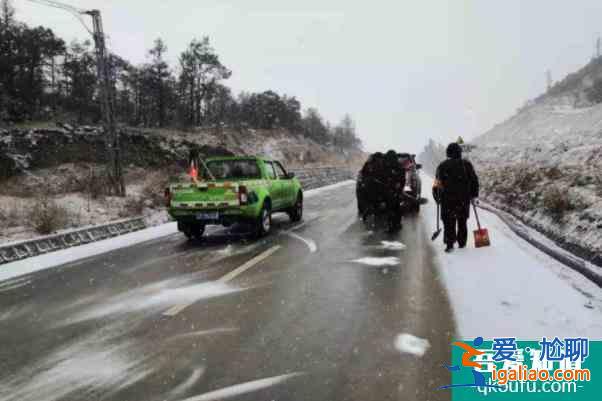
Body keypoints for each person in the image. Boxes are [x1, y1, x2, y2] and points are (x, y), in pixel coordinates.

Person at [432, 142, 479, 252]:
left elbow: (437, 184)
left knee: (449, 221)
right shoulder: (466, 165)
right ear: (459, 152)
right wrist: (474, 195)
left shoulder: (442, 166)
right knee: (462, 221)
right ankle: (462, 243)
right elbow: (474, 181)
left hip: (447, 200)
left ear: (448, 153)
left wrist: (436, 197)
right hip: (463, 199)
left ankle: (450, 244)